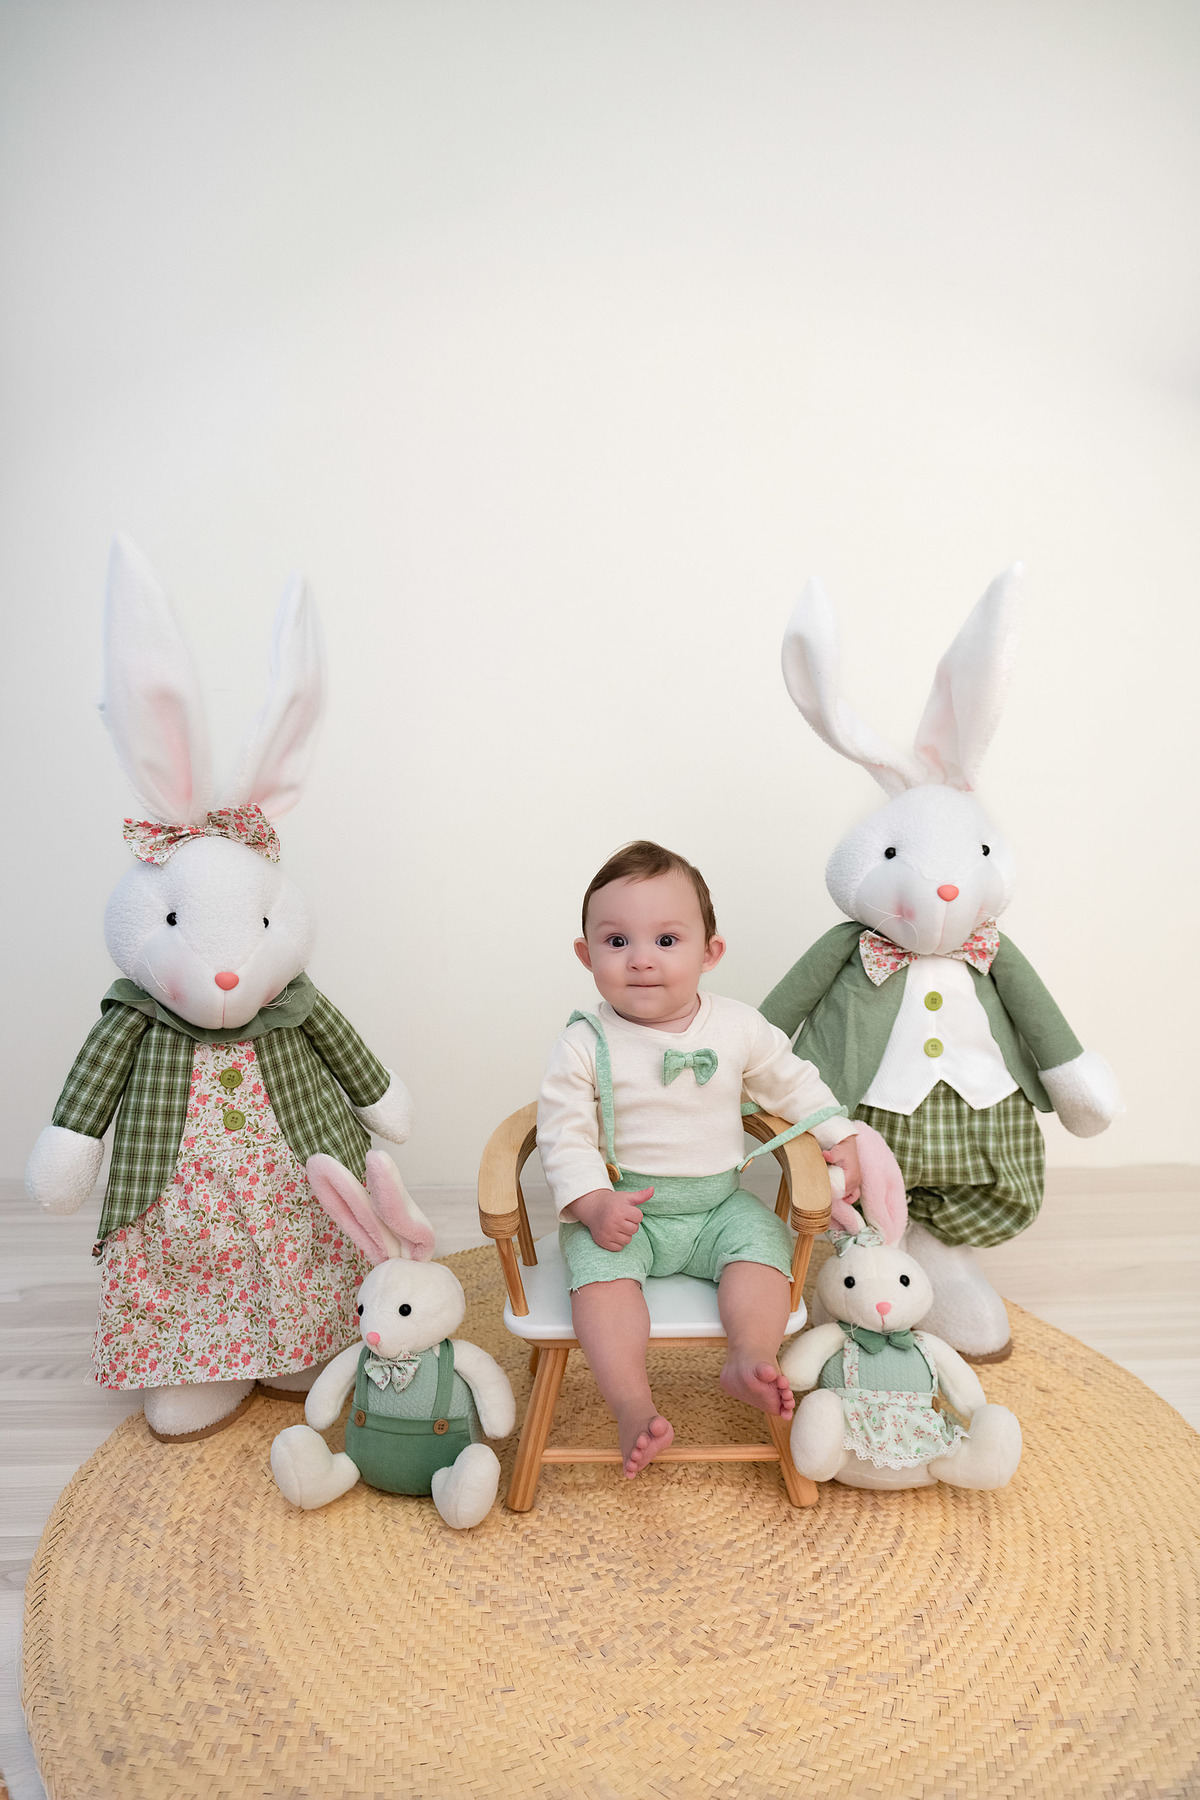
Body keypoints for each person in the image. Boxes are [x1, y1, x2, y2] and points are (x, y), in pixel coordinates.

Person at [537, 840, 870, 1479]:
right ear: (586, 955)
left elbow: (790, 1082)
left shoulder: (738, 1026)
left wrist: (838, 1132)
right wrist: (592, 1202)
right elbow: (563, 1133)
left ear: (709, 953)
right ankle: (631, 1404)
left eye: (666, 940)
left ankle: (749, 1355)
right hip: (625, 1212)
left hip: (717, 1207)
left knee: (763, 1251)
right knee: (600, 1282)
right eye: (616, 942)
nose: (641, 960)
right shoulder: (584, 1042)